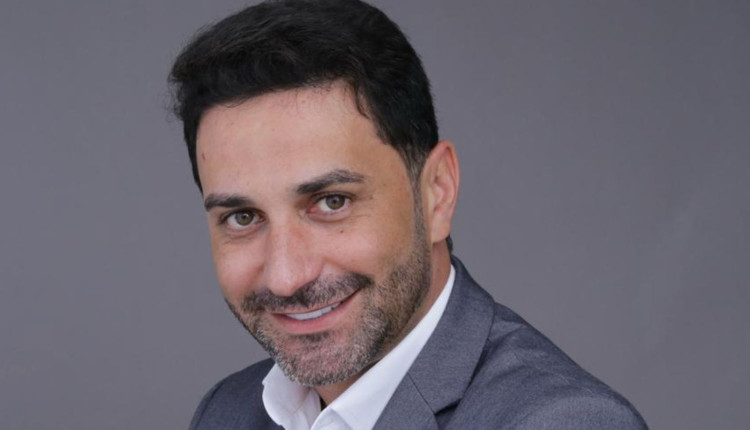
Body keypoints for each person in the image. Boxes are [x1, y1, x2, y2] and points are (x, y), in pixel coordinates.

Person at [169, 0, 648, 428]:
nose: (286, 277)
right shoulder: (226, 412)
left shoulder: (560, 422)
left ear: (437, 193)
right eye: (243, 217)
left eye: (332, 202)